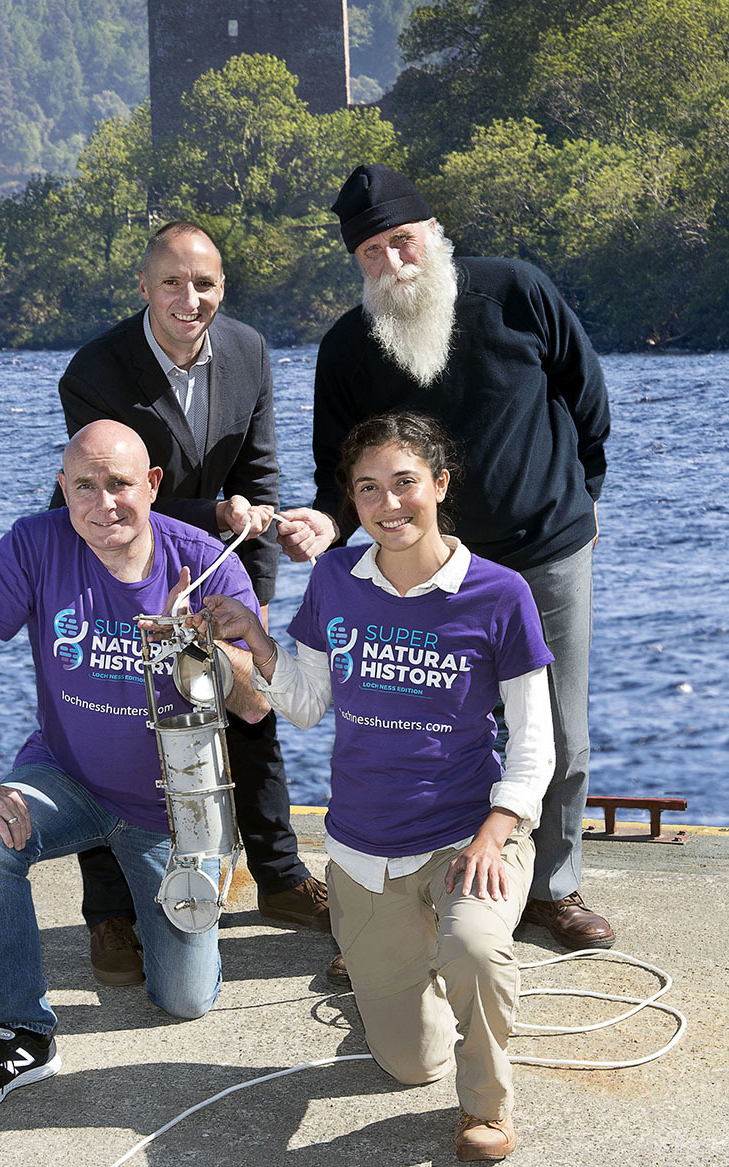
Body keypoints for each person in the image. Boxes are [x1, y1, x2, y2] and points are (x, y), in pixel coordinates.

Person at [198, 412, 555, 1162]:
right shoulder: (334, 577)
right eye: (368, 489)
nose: (389, 504)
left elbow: (535, 746)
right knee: (409, 1064)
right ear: (351, 502)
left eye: (405, 483)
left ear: (440, 485)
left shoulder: (499, 593)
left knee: (478, 948)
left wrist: (497, 831)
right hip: (362, 853)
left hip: (467, 838)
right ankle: (405, 968)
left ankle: (486, 1103)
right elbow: (302, 702)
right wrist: (253, 639)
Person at [276, 164, 614, 952]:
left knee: (558, 729)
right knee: (431, 733)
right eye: (371, 254)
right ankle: (432, 897)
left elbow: (586, 394)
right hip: (425, 574)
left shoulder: (517, 292)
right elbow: (338, 468)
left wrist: (585, 495)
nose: (393, 265)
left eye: (402, 243)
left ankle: (551, 890)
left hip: (544, 550)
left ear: (433, 236)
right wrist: (329, 526)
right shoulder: (348, 347)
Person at [0, 421, 267, 1114]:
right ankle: (20, 1031)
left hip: (172, 804)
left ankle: (203, 880)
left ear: (153, 485)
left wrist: (204, 652)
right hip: (66, 777)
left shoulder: (206, 561)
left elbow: (256, 705)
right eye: (84, 485)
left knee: (185, 1000)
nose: (103, 502)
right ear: (63, 489)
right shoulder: (37, 542)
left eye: (120, 484)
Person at [53, 221, 330, 986]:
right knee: (116, 726)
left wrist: (258, 598)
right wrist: (216, 514)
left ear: (222, 289)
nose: (189, 298)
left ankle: (277, 875)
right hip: (114, 559)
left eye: (204, 283)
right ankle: (109, 912)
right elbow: (118, 493)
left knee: (251, 704)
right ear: (144, 287)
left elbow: (264, 479)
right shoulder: (94, 370)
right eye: (171, 282)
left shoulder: (250, 351)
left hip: (228, 558)